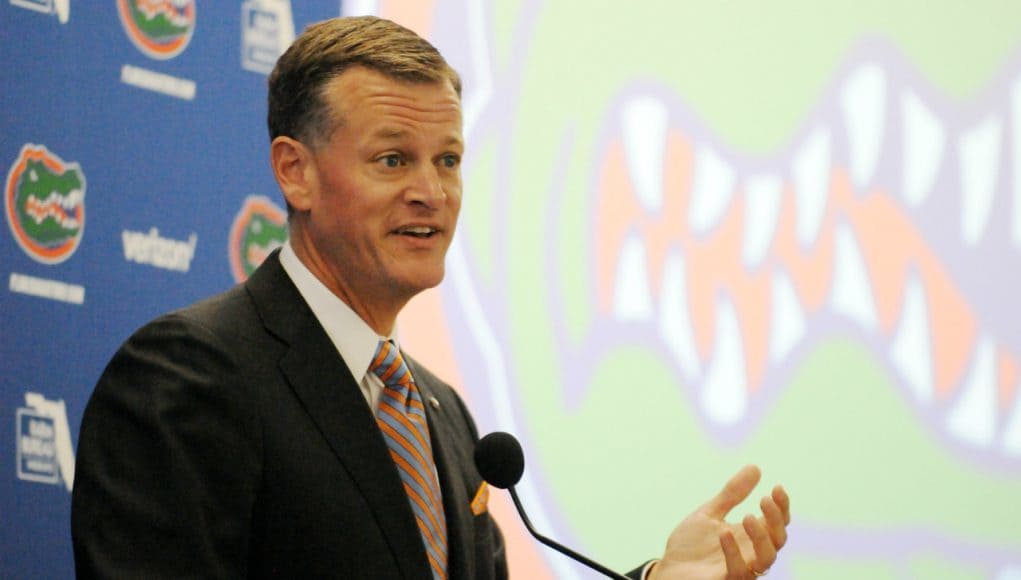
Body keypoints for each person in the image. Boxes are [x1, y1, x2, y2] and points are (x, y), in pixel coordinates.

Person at [71, 16, 790, 580]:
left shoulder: (442, 413)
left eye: (447, 159)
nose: (431, 191)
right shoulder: (190, 376)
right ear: (295, 173)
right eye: (392, 160)